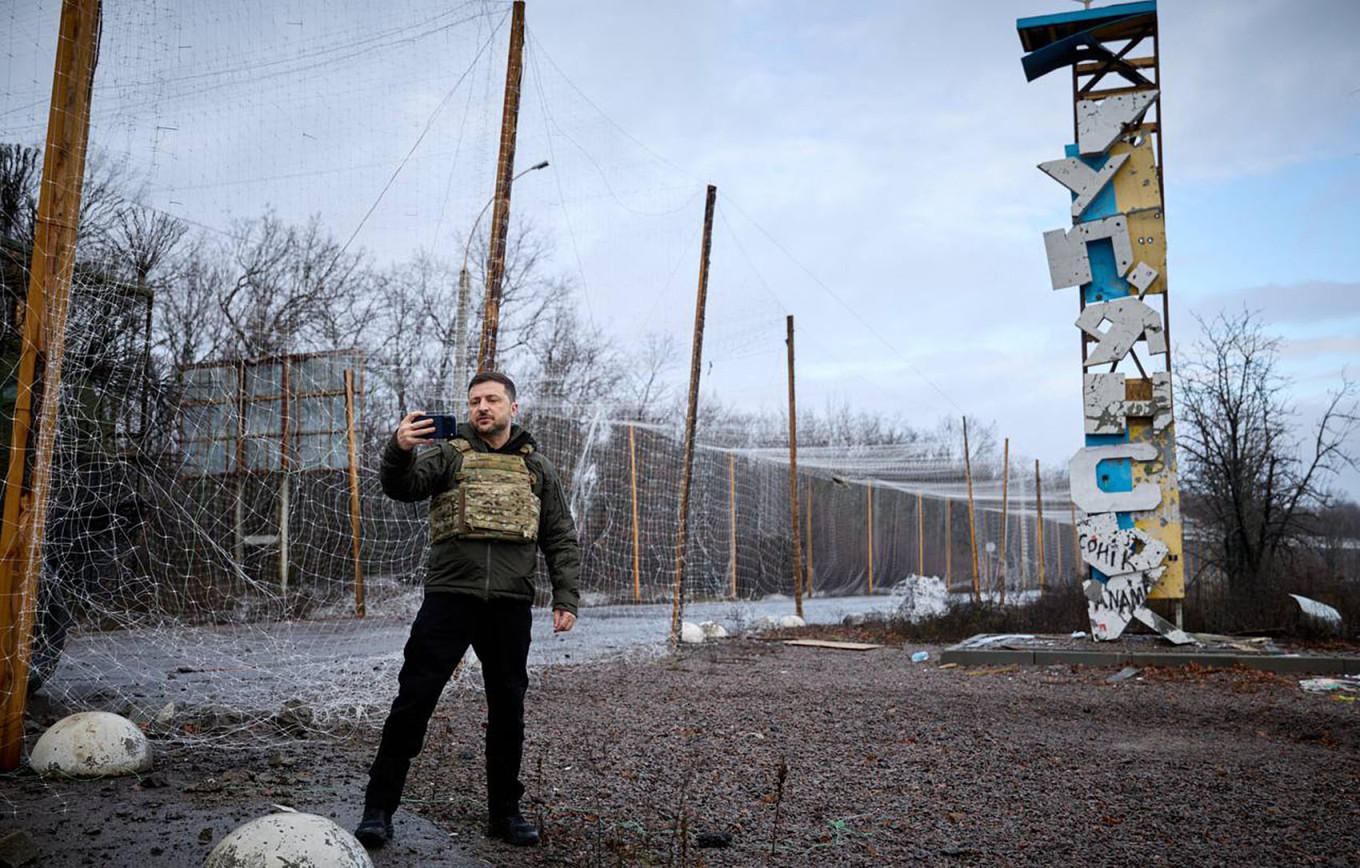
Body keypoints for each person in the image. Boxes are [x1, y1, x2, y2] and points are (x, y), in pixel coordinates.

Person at [355, 371, 579, 849]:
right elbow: (403, 486)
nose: (482, 407)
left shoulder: (537, 468)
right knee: (414, 700)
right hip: (449, 598)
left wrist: (566, 598)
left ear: (512, 408)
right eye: (475, 400)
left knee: (507, 711)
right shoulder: (448, 454)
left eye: (492, 400)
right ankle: (378, 809)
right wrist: (399, 448)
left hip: (510, 605)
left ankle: (505, 814)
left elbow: (559, 535)